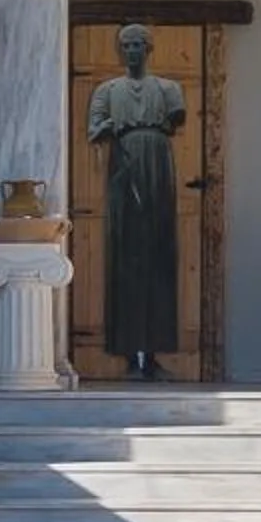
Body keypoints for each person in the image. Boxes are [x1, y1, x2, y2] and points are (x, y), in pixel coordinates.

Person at [85, 22, 187, 377]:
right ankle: (129, 354)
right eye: (125, 45)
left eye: (137, 45)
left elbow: (178, 118)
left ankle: (155, 355)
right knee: (124, 257)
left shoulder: (169, 89)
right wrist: (111, 128)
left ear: (149, 48)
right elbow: (94, 130)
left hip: (158, 163)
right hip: (123, 166)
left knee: (160, 256)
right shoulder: (106, 90)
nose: (131, 51)